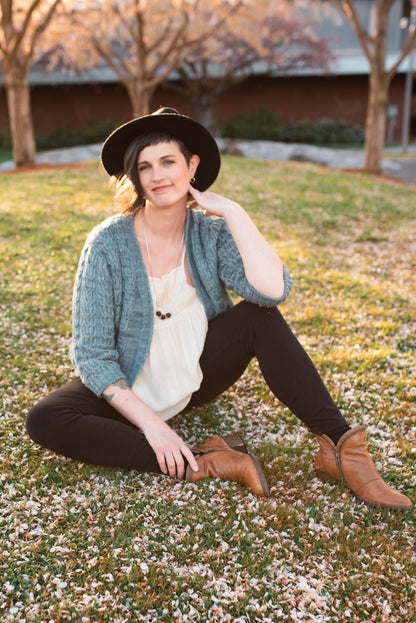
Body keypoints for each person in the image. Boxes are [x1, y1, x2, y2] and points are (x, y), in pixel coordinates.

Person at [26, 107, 412, 510]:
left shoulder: (211, 233)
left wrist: (234, 213)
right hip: (127, 391)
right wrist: (156, 428)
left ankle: (340, 449)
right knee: (46, 419)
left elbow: (272, 291)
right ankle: (206, 460)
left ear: (192, 166)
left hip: (195, 375)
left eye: (168, 162)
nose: (158, 175)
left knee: (259, 318)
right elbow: (93, 356)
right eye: (145, 166)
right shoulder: (107, 243)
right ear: (134, 176)